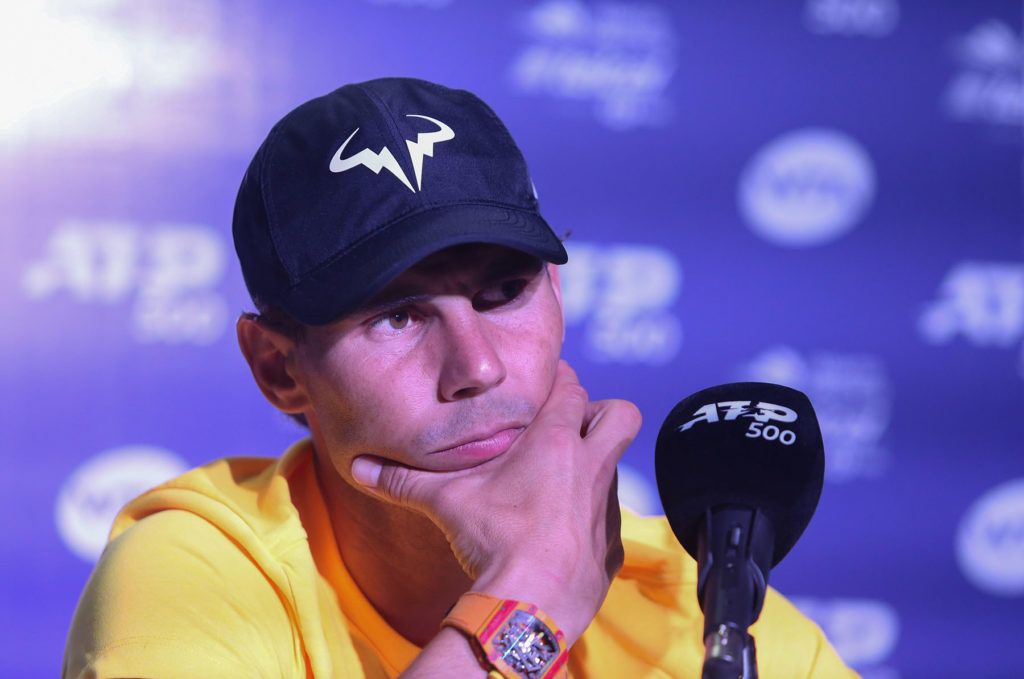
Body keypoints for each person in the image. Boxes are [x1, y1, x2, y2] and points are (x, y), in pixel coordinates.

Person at [63, 77, 856, 678]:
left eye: (502, 291)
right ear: (280, 368)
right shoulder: (202, 570)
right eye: (398, 315)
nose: (475, 367)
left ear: (557, 295)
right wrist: (532, 603)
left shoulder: (701, 619)